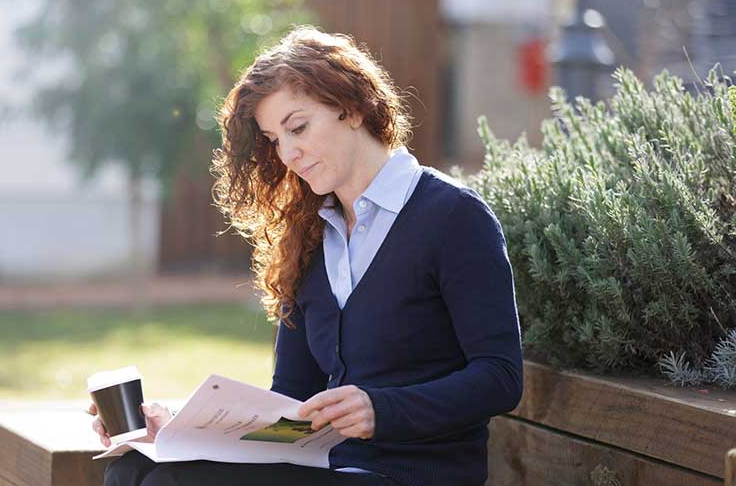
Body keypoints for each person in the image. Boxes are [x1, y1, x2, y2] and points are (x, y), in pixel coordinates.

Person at [90, 26, 523, 486]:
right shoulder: (311, 236)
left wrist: (380, 410)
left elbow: (499, 377)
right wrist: (179, 429)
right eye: (275, 139)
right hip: (325, 466)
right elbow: (291, 399)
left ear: (352, 108)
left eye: (297, 127)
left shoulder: (454, 217)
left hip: (409, 475)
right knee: (135, 467)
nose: (289, 153)